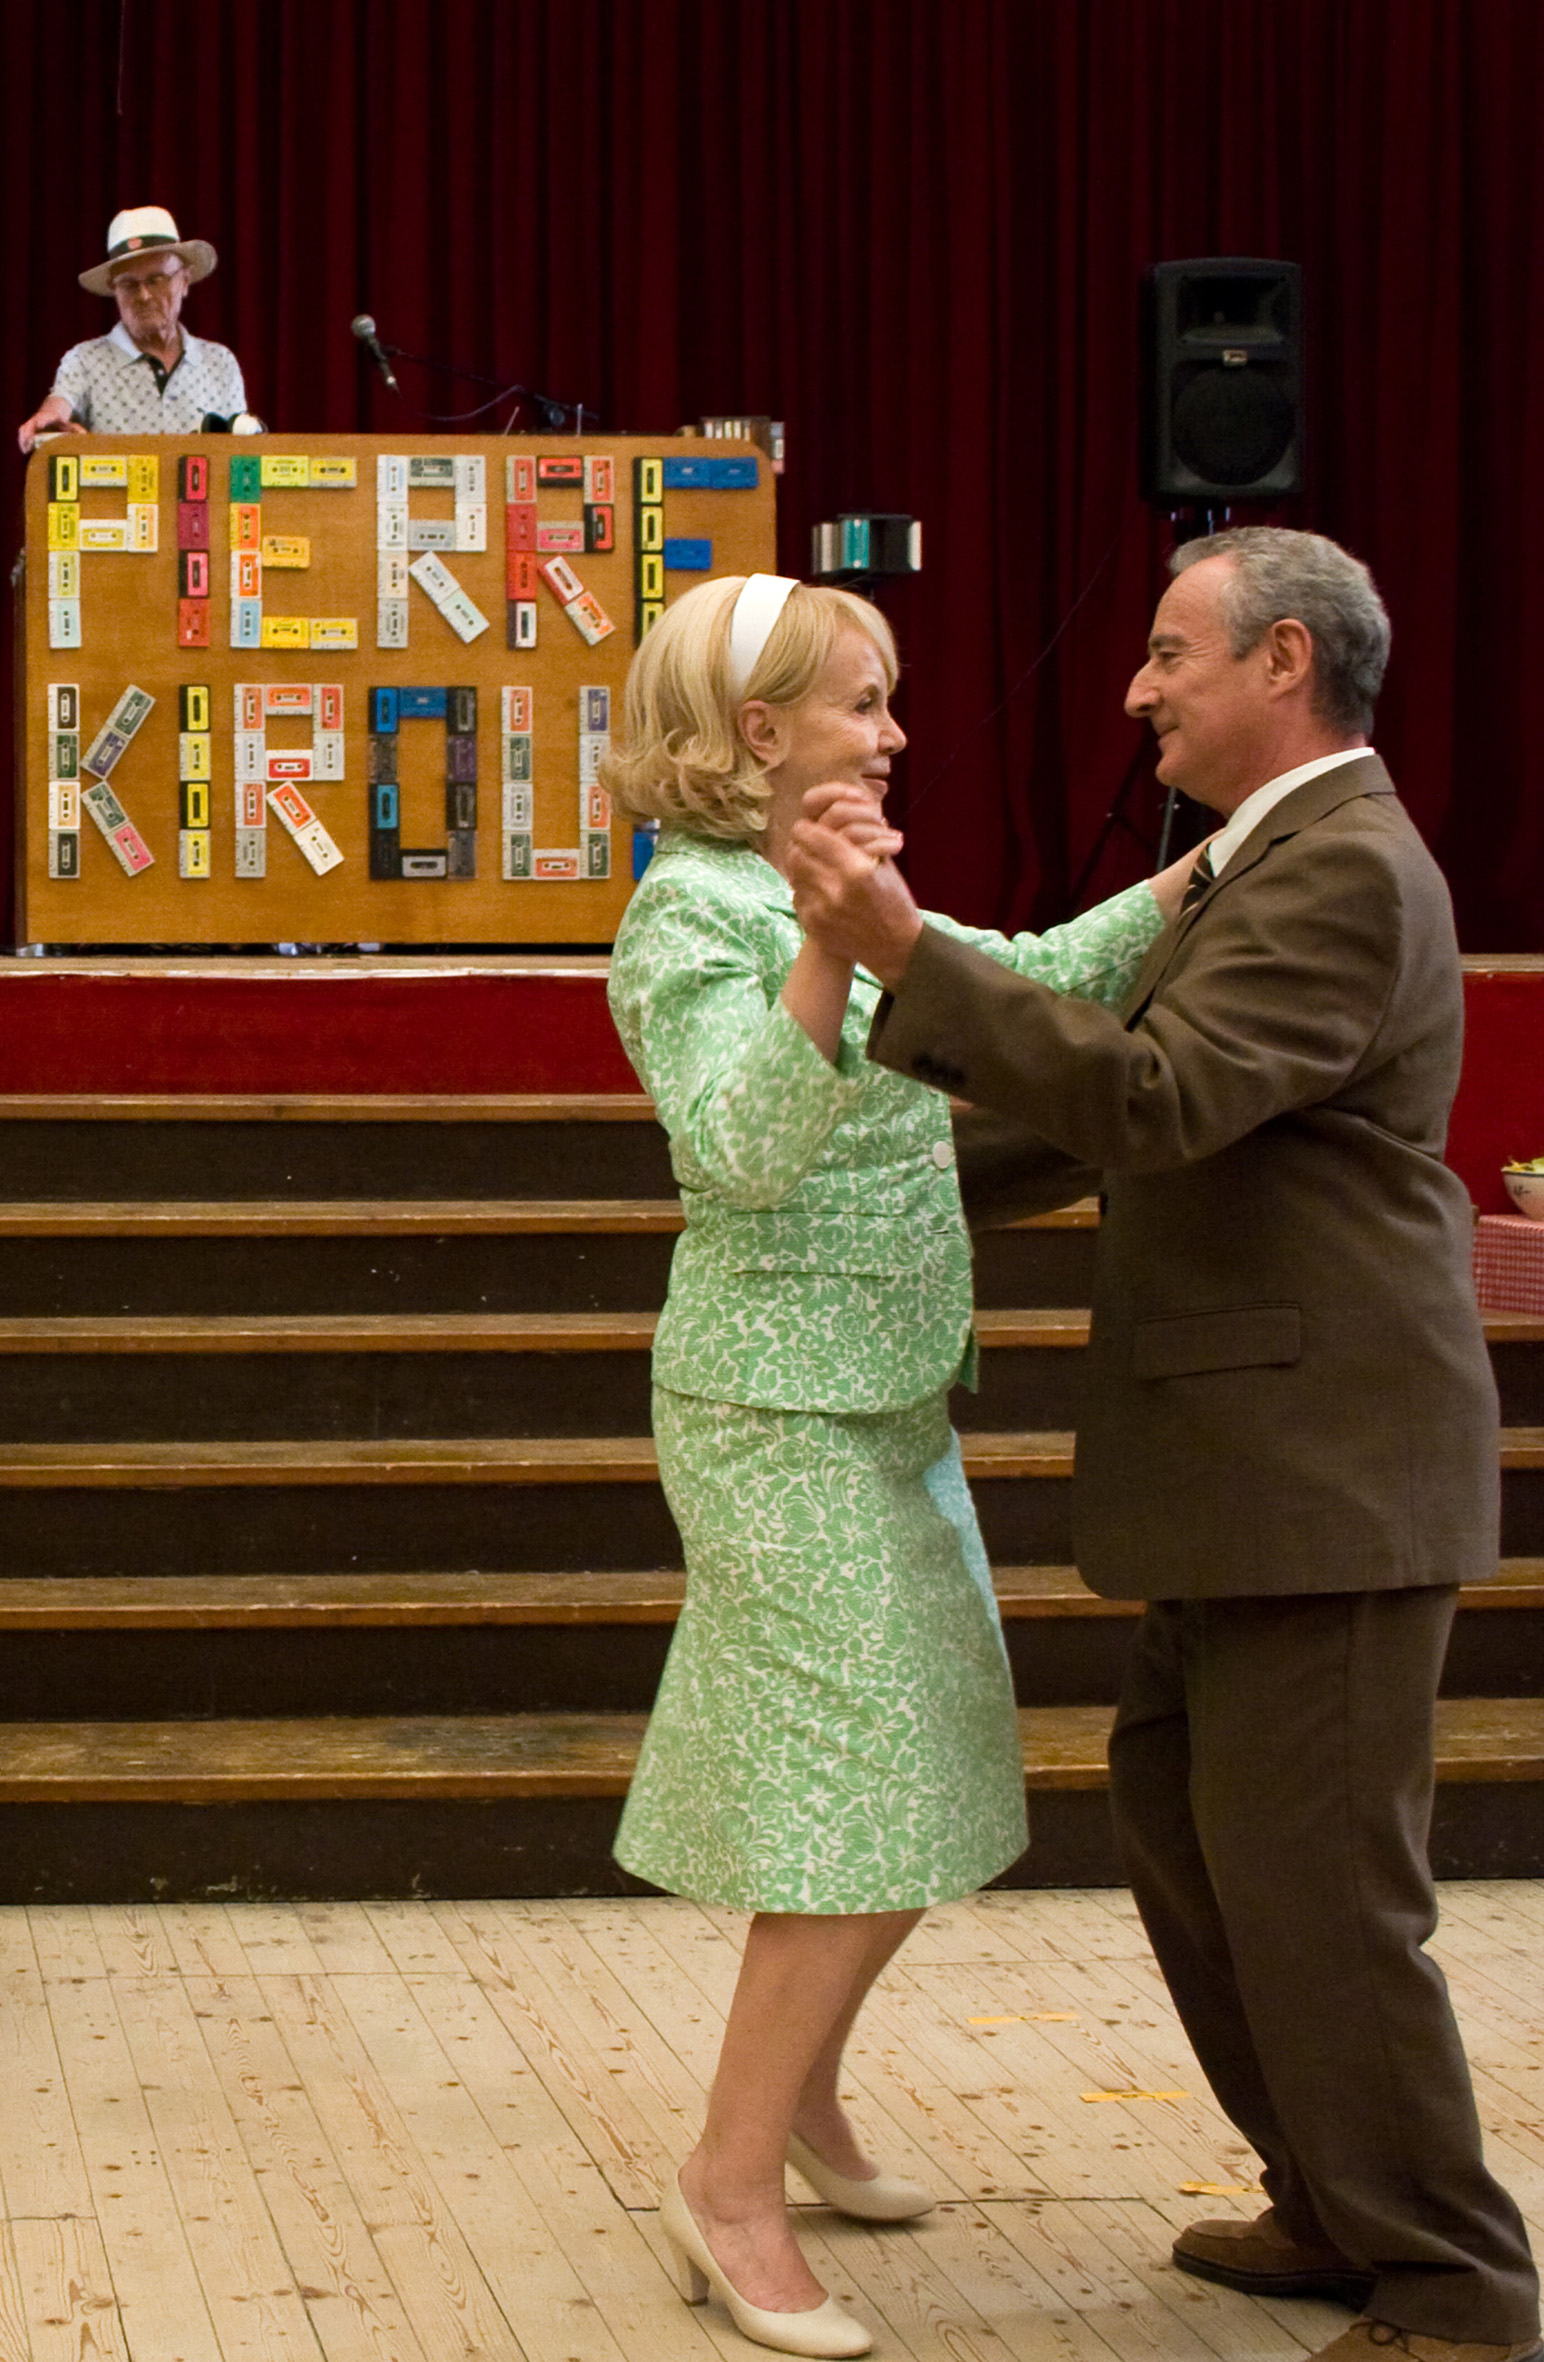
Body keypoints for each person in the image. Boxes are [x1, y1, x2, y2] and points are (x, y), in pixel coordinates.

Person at [787, 526, 1541, 2362]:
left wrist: (901, 950)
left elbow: (1156, 1095)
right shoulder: (1274, 861)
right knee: (1204, 1849)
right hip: (1257, 1470)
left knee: (1320, 1897)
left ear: (1283, 660)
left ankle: (1450, 2282)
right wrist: (820, 1179)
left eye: (1167, 653)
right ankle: (1332, 2198)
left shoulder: (1339, 864)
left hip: (1322, 1473)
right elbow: (1093, 1110)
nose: (1133, 690)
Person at [603, 571, 1196, 2358]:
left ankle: (797, 2099)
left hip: (883, 1397)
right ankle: (725, 2184)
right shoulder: (686, 914)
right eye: (863, 703)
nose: (895, 732)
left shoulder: (836, 889)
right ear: (760, 732)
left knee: (910, 1771)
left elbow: (1007, 976)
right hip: (772, 1414)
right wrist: (823, 940)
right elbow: (739, 1146)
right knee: (858, 1801)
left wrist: (1197, 881)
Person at [17, 206, 249, 453]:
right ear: (113, 289)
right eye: (128, 284)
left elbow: (244, 453)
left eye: (156, 280)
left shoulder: (220, 363)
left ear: (184, 281)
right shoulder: (85, 360)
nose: (144, 295)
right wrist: (48, 418)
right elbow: (61, 401)